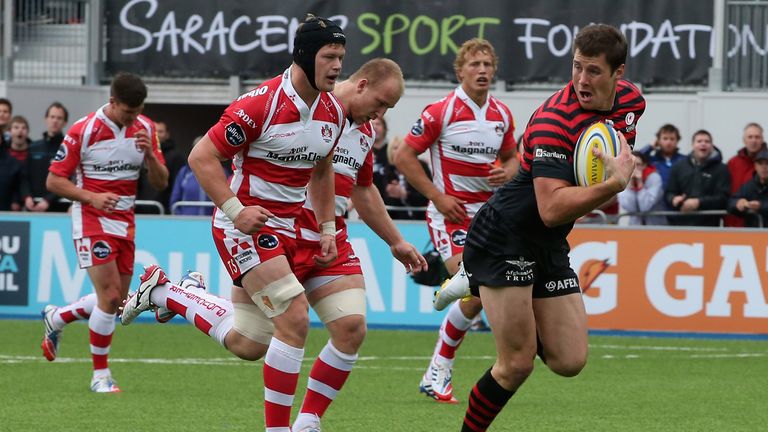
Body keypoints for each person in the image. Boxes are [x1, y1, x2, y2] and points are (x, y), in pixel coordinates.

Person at [122, 56, 424, 431]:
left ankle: (308, 422)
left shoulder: (362, 133)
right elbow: (214, 157)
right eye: (380, 103)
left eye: (387, 110)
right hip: (277, 238)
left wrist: (395, 241)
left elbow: (362, 189)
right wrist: (237, 210)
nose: (379, 115)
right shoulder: (304, 109)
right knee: (251, 343)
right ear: (361, 85)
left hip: (327, 243)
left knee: (350, 329)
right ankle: (171, 294)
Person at [122, 14, 347, 431]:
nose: (337, 66)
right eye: (329, 56)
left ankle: (170, 294)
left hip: (287, 230)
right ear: (304, 56)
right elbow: (200, 157)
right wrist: (235, 210)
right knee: (296, 319)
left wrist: (328, 227)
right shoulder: (259, 104)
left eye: (340, 57)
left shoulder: (333, 111)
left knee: (248, 343)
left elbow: (321, 169)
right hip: (244, 229)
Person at [452, 24, 644, 431]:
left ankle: (479, 284)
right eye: (576, 67)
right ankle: (484, 282)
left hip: (547, 243)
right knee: (516, 364)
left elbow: (612, 149)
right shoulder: (555, 120)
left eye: (593, 71)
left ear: (618, 73)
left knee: (570, 360)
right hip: (506, 235)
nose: (581, 80)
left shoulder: (631, 102)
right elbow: (552, 208)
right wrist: (612, 184)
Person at [394, 38, 518, 403]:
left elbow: (513, 158)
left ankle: (437, 370)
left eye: (487, 65)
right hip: (451, 214)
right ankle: (439, 368)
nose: (482, 70)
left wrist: (506, 172)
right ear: (460, 70)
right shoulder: (442, 111)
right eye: (475, 64)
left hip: (490, 216)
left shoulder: (501, 115)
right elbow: (403, 156)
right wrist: (438, 197)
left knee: (479, 292)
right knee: (477, 281)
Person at [40, 72, 169, 393]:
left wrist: (151, 156)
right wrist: (92, 197)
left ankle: (58, 316)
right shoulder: (84, 130)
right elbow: (54, 181)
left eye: (138, 111)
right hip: (91, 217)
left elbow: (161, 182)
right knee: (110, 296)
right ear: (112, 102)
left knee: (117, 302)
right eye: (128, 112)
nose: (133, 118)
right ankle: (100, 376)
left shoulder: (146, 129)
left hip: (125, 221)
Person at [665, 130, 731, 227]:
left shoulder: (721, 169)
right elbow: (669, 192)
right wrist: (674, 199)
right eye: (699, 141)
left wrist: (699, 203)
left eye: (707, 141)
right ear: (692, 145)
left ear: (712, 146)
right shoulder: (679, 166)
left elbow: (723, 198)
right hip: (680, 225)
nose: (703, 144)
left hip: (709, 227)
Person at [27, 102, 70, 212]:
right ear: (46, 119)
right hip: (32, 206)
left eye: (59, 118)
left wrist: (48, 200)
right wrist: (26, 197)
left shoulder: (68, 148)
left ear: (65, 122)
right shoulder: (33, 147)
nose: (55, 121)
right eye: (52, 117)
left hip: (58, 207)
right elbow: (24, 176)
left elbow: (69, 178)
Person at [136, 120, 184, 213]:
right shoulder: (140, 153)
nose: (157, 134)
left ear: (167, 134)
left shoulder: (175, 157)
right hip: (140, 207)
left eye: (161, 131)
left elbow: (176, 184)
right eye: (155, 131)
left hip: (163, 210)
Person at [725, 123, 766, 227]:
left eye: (757, 137)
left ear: (762, 139)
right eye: (750, 137)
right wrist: (738, 202)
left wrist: (761, 206)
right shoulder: (732, 163)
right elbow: (727, 194)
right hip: (736, 224)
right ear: (744, 140)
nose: (753, 140)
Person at [618, 151, 666, 225]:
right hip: (635, 227)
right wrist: (630, 184)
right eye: (631, 164)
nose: (634, 168)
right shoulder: (623, 179)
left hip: (655, 226)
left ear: (644, 165)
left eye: (638, 164)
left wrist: (640, 184)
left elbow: (645, 207)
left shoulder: (654, 178)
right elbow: (630, 207)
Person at [728, 148, 768, 227]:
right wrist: (738, 203)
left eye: (767, 163)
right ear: (755, 166)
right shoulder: (749, 186)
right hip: (753, 235)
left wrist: (761, 206)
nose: (764, 167)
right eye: (760, 163)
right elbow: (730, 202)